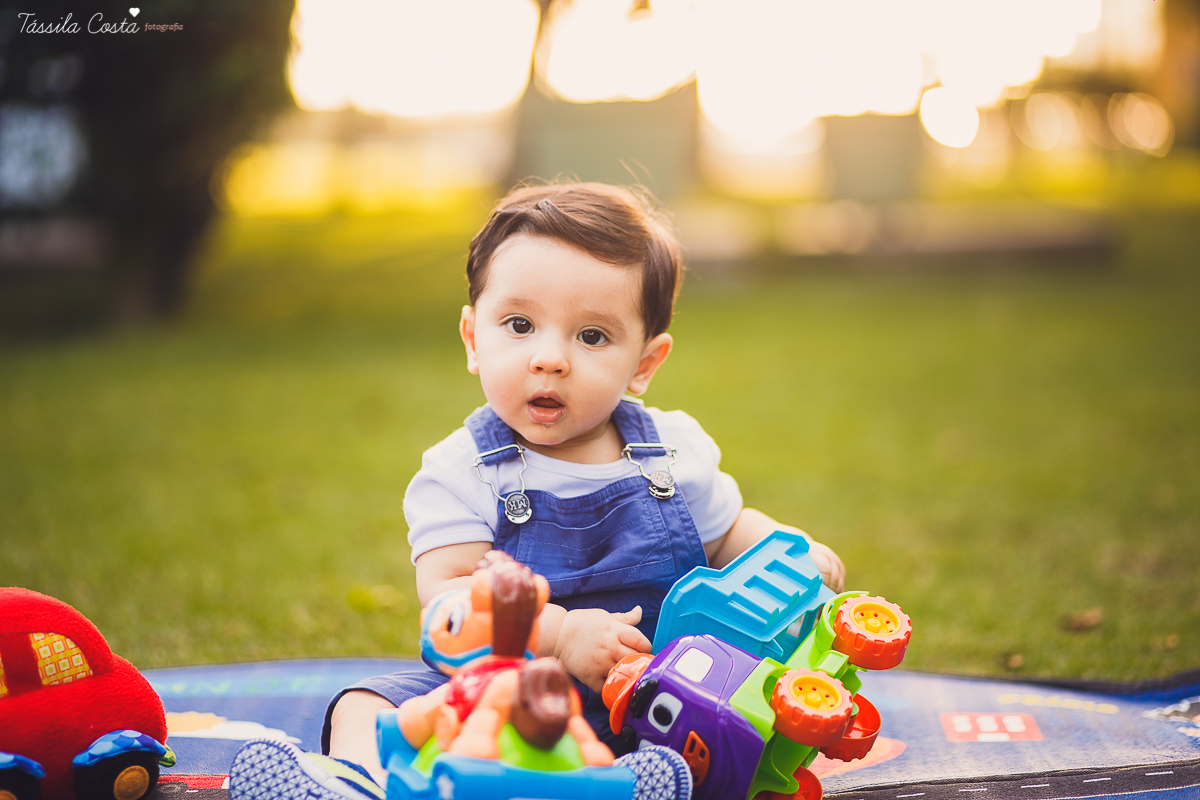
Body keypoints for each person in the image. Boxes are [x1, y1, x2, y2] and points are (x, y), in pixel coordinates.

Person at [229, 182, 845, 800]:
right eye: (520, 325)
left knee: (734, 717)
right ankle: (355, 782)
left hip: (657, 699)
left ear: (645, 364)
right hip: (505, 694)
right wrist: (559, 636)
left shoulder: (672, 450)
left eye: (593, 337)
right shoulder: (464, 469)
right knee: (364, 704)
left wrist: (792, 553)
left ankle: (637, 781)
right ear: (474, 339)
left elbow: (729, 532)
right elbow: (450, 598)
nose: (549, 358)